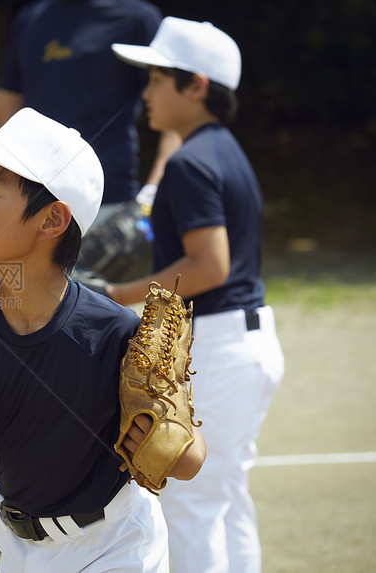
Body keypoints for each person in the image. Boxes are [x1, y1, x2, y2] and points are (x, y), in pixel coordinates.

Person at [0, 107, 206, 572]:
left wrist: (170, 442)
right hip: (20, 550)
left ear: (51, 221)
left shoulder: (117, 332)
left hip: (118, 545)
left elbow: (187, 463)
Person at [98, 17, 285, 573]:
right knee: (225, 502)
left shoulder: (189, 162)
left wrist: (117, 292)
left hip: (223, 349)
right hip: (244, 341)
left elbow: (209, 265)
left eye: (157, 78)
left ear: (196, 86)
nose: (147, 92)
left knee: (190, 502)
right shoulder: (222, 149)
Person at [0, 0, 182, 283]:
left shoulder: (137, 19)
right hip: (29, 200)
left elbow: (172, 109)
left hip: (109, 203)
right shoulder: (31, 19)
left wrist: (152, 195)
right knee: (26, 314)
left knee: (95, 316)